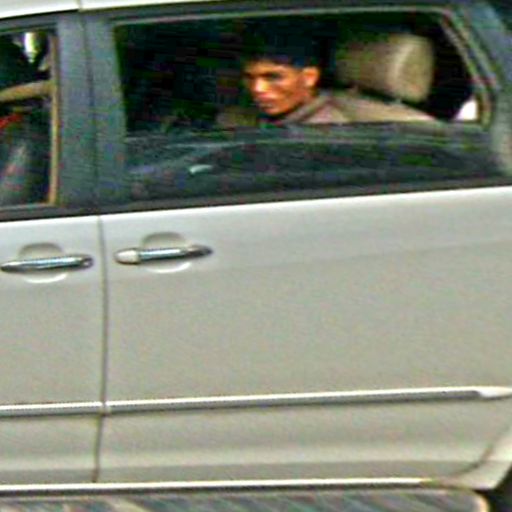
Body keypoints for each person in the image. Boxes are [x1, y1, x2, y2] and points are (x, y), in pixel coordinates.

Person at [217, 32, 349, 127]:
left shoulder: (334, 127)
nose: (257, 88)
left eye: (273, 77)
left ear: (309, 77)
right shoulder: (235, 119)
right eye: (249, 78)